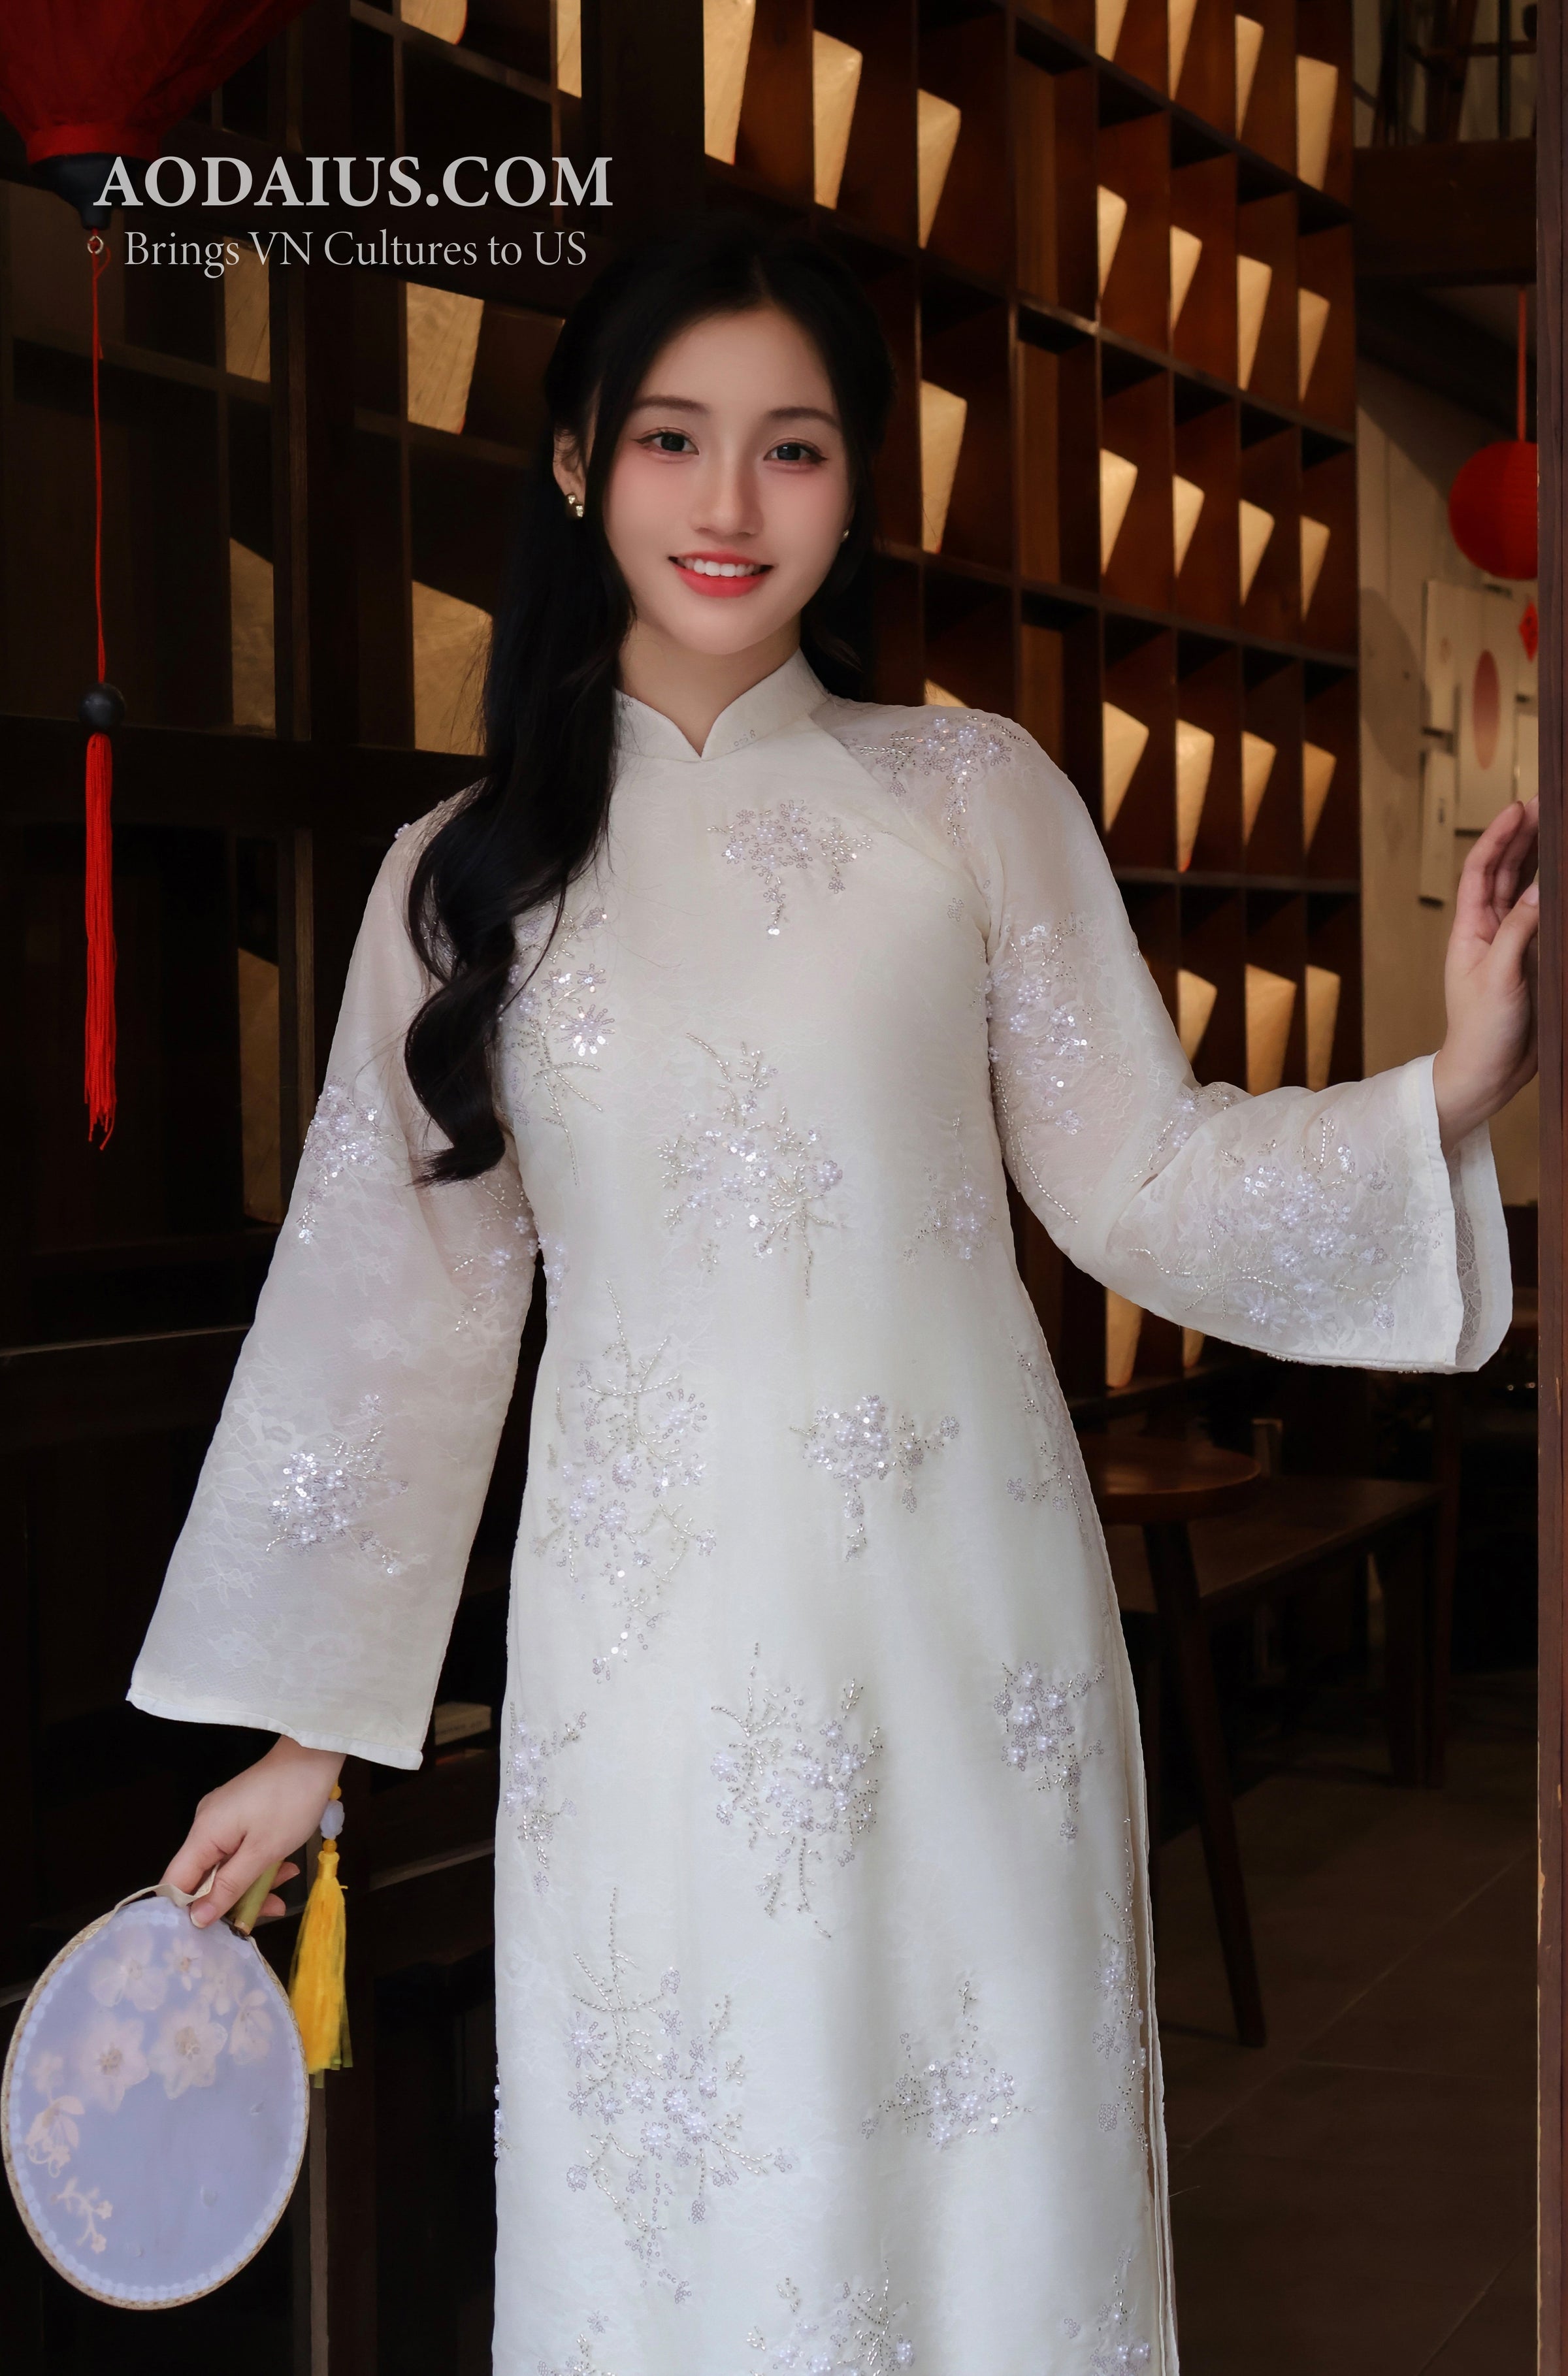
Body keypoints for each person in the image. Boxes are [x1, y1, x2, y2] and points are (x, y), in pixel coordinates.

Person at [131, 212, 1539, 2373]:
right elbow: (385, 1323)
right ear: (576, 463)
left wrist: (1450, 1085)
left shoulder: (968, 799)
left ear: (857, 484)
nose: (730, 500)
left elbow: (1141, 1176)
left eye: (791, 447)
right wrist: (305, 1734)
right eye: (672, 437)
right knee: (681, 2209)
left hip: (969, 1633)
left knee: (989, 2217)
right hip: (647, 1662)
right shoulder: (461, 882)